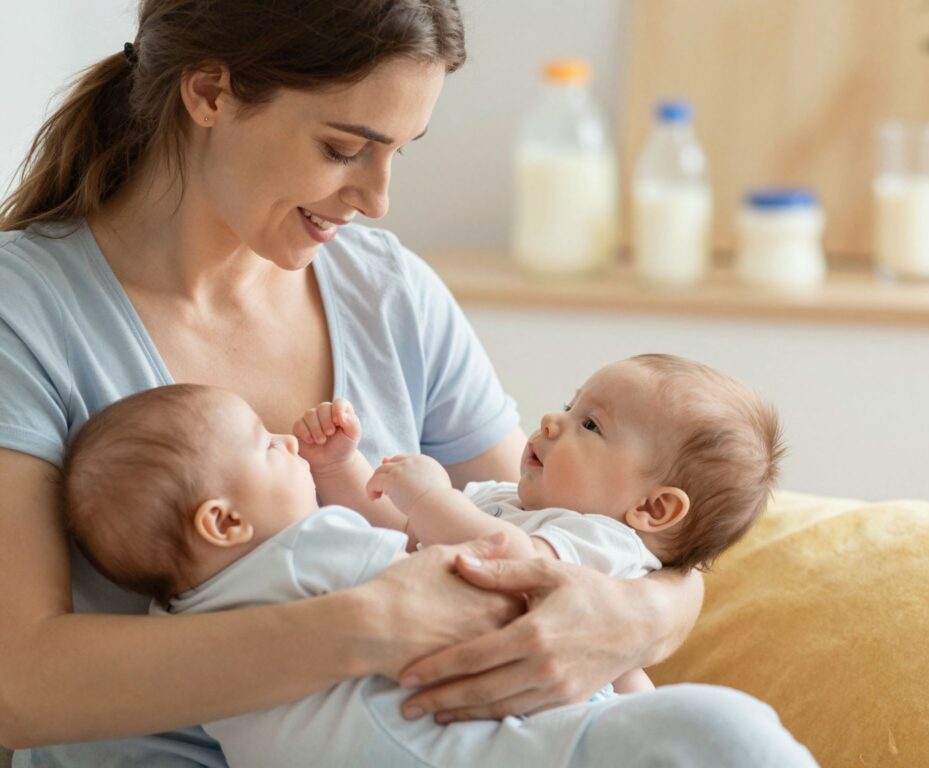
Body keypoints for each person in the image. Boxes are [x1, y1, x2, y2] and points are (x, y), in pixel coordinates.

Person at [0, 1, 815, 765]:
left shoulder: (388, 292)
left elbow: (561, 525)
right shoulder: (25, 311)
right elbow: (19, 684)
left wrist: (645, 614)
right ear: (211, 91)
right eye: (343, 148)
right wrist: (371, 622)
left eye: (398, 151)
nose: (378, 199)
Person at [59, 381, 808, 768]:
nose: (287, 440)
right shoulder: (307, 551)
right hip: (491, 749)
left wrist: (356, 473)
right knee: (722, 730)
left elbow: (410, 533)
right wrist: (421, 496)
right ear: (222, 523)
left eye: (587, 422)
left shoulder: (181, 622)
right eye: (267, 448)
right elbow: (463, 567)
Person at [308, 352, 784, 695]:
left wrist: (430, 497)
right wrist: (339, 467)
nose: (553, 420)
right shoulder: (503, 500)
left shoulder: (608, 543)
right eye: (571, 405)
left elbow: (517, 563)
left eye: (591, 425)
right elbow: (398, 530)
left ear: (653, 509)